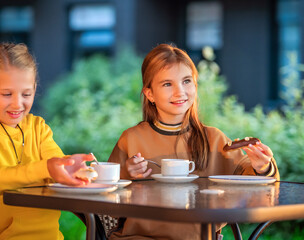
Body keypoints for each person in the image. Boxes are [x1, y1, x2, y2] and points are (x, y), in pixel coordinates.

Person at [108, 43, 280, 240]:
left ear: (195, 86)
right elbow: (104, 199)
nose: (180, 91)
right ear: (150, 94)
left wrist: (262, 166)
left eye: (186, 81)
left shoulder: (215, 140)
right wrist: (126, 175)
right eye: (167, 84)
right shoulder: (132, 139)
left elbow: (264, 190)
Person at [0, 43, 94, 240]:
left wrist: (72, 169)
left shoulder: (38, 128)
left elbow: (55, 163)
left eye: (26, 94)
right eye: (6, 94)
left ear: (35, 90)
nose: (17, 103)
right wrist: (46, 168)